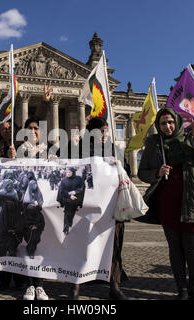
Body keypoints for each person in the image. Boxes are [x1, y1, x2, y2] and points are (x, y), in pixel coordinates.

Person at [137, 108, 194, 300]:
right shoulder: (154, 144)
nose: (167, 126)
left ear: (177, 122)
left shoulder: (191, 139)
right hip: (167, 202)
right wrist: (157, 172)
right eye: (163, 123)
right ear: (158, 126)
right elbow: (142, 173)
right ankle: (181, 289)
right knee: (175, 250)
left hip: (192, 199)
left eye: (170, 122)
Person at [0, 83, 52, 292]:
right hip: (6, 202)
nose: (6, 131)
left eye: (9, 128)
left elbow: (36, 122)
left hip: (26, 204)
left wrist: (44, 102)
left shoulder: (24, 147)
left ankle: (26, 280)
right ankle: (4, 278)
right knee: (5, 241)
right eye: (2, 128)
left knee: (26, 241)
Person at [68, 117, 130, 300]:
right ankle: (75, 287)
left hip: (112, 207)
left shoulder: (114, 150)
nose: (104, 134)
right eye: (101, 130)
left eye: (106, 130)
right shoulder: (78, 150)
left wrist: (120, 167)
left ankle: (115, 286)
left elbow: (126, 172)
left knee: (114, 247)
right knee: (80, 246)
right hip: (87, 207)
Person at [9, 114, 52, 301]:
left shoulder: (50, 151)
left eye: (37, 128)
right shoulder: (18, 151)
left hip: (44, 207)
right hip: (23, 207)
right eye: (30, 129)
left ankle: (40, 285)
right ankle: (29, 285)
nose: (34, 131)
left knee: (40, 244)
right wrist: (11, 161)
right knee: (26, 244)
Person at [56, 167, 85, 235]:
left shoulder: (78, 179)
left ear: (73, 172)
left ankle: (70, 221)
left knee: (72, 212)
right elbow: (62, 191)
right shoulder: (64, 180)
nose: (68, 174)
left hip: (75, 199)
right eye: (67, 172)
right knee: (67, 213)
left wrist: (75, 192)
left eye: (69, 172)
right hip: (67, 199)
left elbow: (82, 187)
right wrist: (69, 195)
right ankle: (65, 229)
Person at [22, 179, 45, 259]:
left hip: (37, 217)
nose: (34, 186)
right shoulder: (26, 194)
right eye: (32, 184)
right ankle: (30, 250)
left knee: (36, 237)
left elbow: (41, 203)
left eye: (35, 184)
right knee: (29, 236)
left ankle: (32, 249)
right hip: (28, 217)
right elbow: (24, 205)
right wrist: (31, 204)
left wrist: (38, 204)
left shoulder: (38, 192)